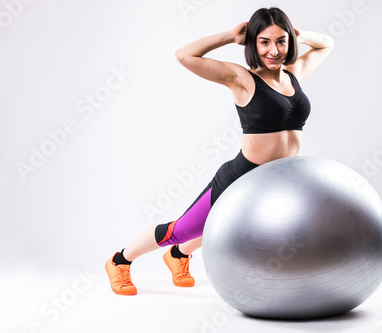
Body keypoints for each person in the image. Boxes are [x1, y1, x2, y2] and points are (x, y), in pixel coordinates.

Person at [105, 7, 334, 295]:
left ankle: (178, 256)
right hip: (243, 174)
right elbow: (184, 55)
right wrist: (229, 36)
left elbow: (327, 43)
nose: (273, 50)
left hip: (280, 179)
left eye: (281, 41)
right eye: (264, 41)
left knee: (227, 224)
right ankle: (120, 260)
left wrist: (298, 34)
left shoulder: (293, 73)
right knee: (181, 230)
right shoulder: (242, 78)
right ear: (252, 43)